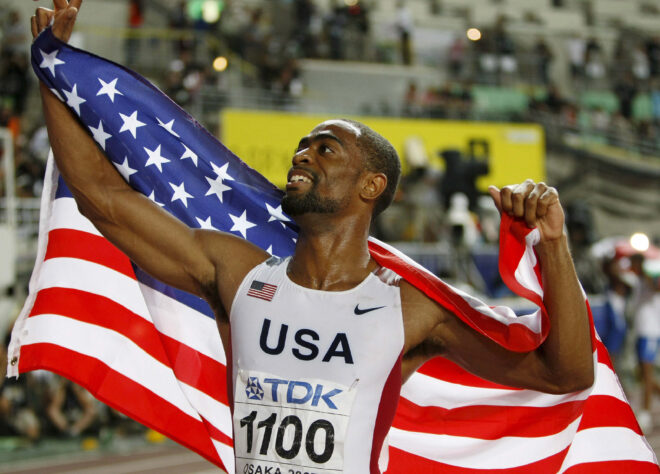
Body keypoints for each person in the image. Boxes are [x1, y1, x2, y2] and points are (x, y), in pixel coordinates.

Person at [31, 2, 594, 473]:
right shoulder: (237, 272)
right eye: (303, 144)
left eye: (326, 148)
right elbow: (100, 197)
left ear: (372, 185)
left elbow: (563, 373)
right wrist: (52, 72)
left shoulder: (410, 308)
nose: (303, 154)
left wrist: (552, 244)